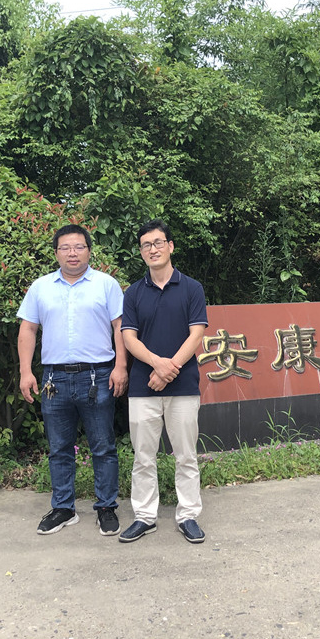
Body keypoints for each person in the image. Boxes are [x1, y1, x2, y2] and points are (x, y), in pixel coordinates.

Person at [17, 224, 129, 538]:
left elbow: (120, 327)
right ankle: (64, 508)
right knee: (59, 448)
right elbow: (28, 330)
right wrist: (25, 371)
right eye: (65, 247)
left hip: (98, 376)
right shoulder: (40, 287)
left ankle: (106, 507)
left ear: (89, 250)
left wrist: (121, 366)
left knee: (103, 446)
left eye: (79, 247)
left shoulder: (106, 284)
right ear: (56, 253)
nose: (72, 253)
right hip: (54, 379)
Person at [119, 220, 209, 544]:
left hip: (183, 386)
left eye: (158, 243)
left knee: (186, 455)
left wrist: (171, 368)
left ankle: (188, 515)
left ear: (171, 246)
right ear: (141, 252)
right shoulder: (133, 293)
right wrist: (158, 365)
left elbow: (196, 333)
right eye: (146, 245)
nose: (153, 249)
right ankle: (145, 516)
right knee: (143, 456)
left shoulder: (192, 288)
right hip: (143, 387)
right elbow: (129, 337)